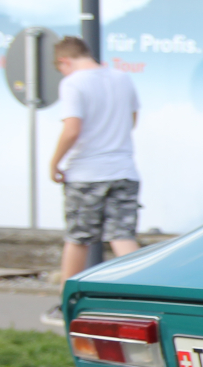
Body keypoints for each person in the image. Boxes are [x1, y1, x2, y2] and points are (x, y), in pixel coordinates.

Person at [47, 36, 141, 281]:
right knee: (122, 236)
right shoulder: (122, 78)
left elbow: (72, 130)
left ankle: (66, 304)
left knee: (78, 239)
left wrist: (54, 163)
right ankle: (137, 297)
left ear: (63, 61)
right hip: (124, 169)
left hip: (86, 173)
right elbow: (132, 121)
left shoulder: (73, 83)